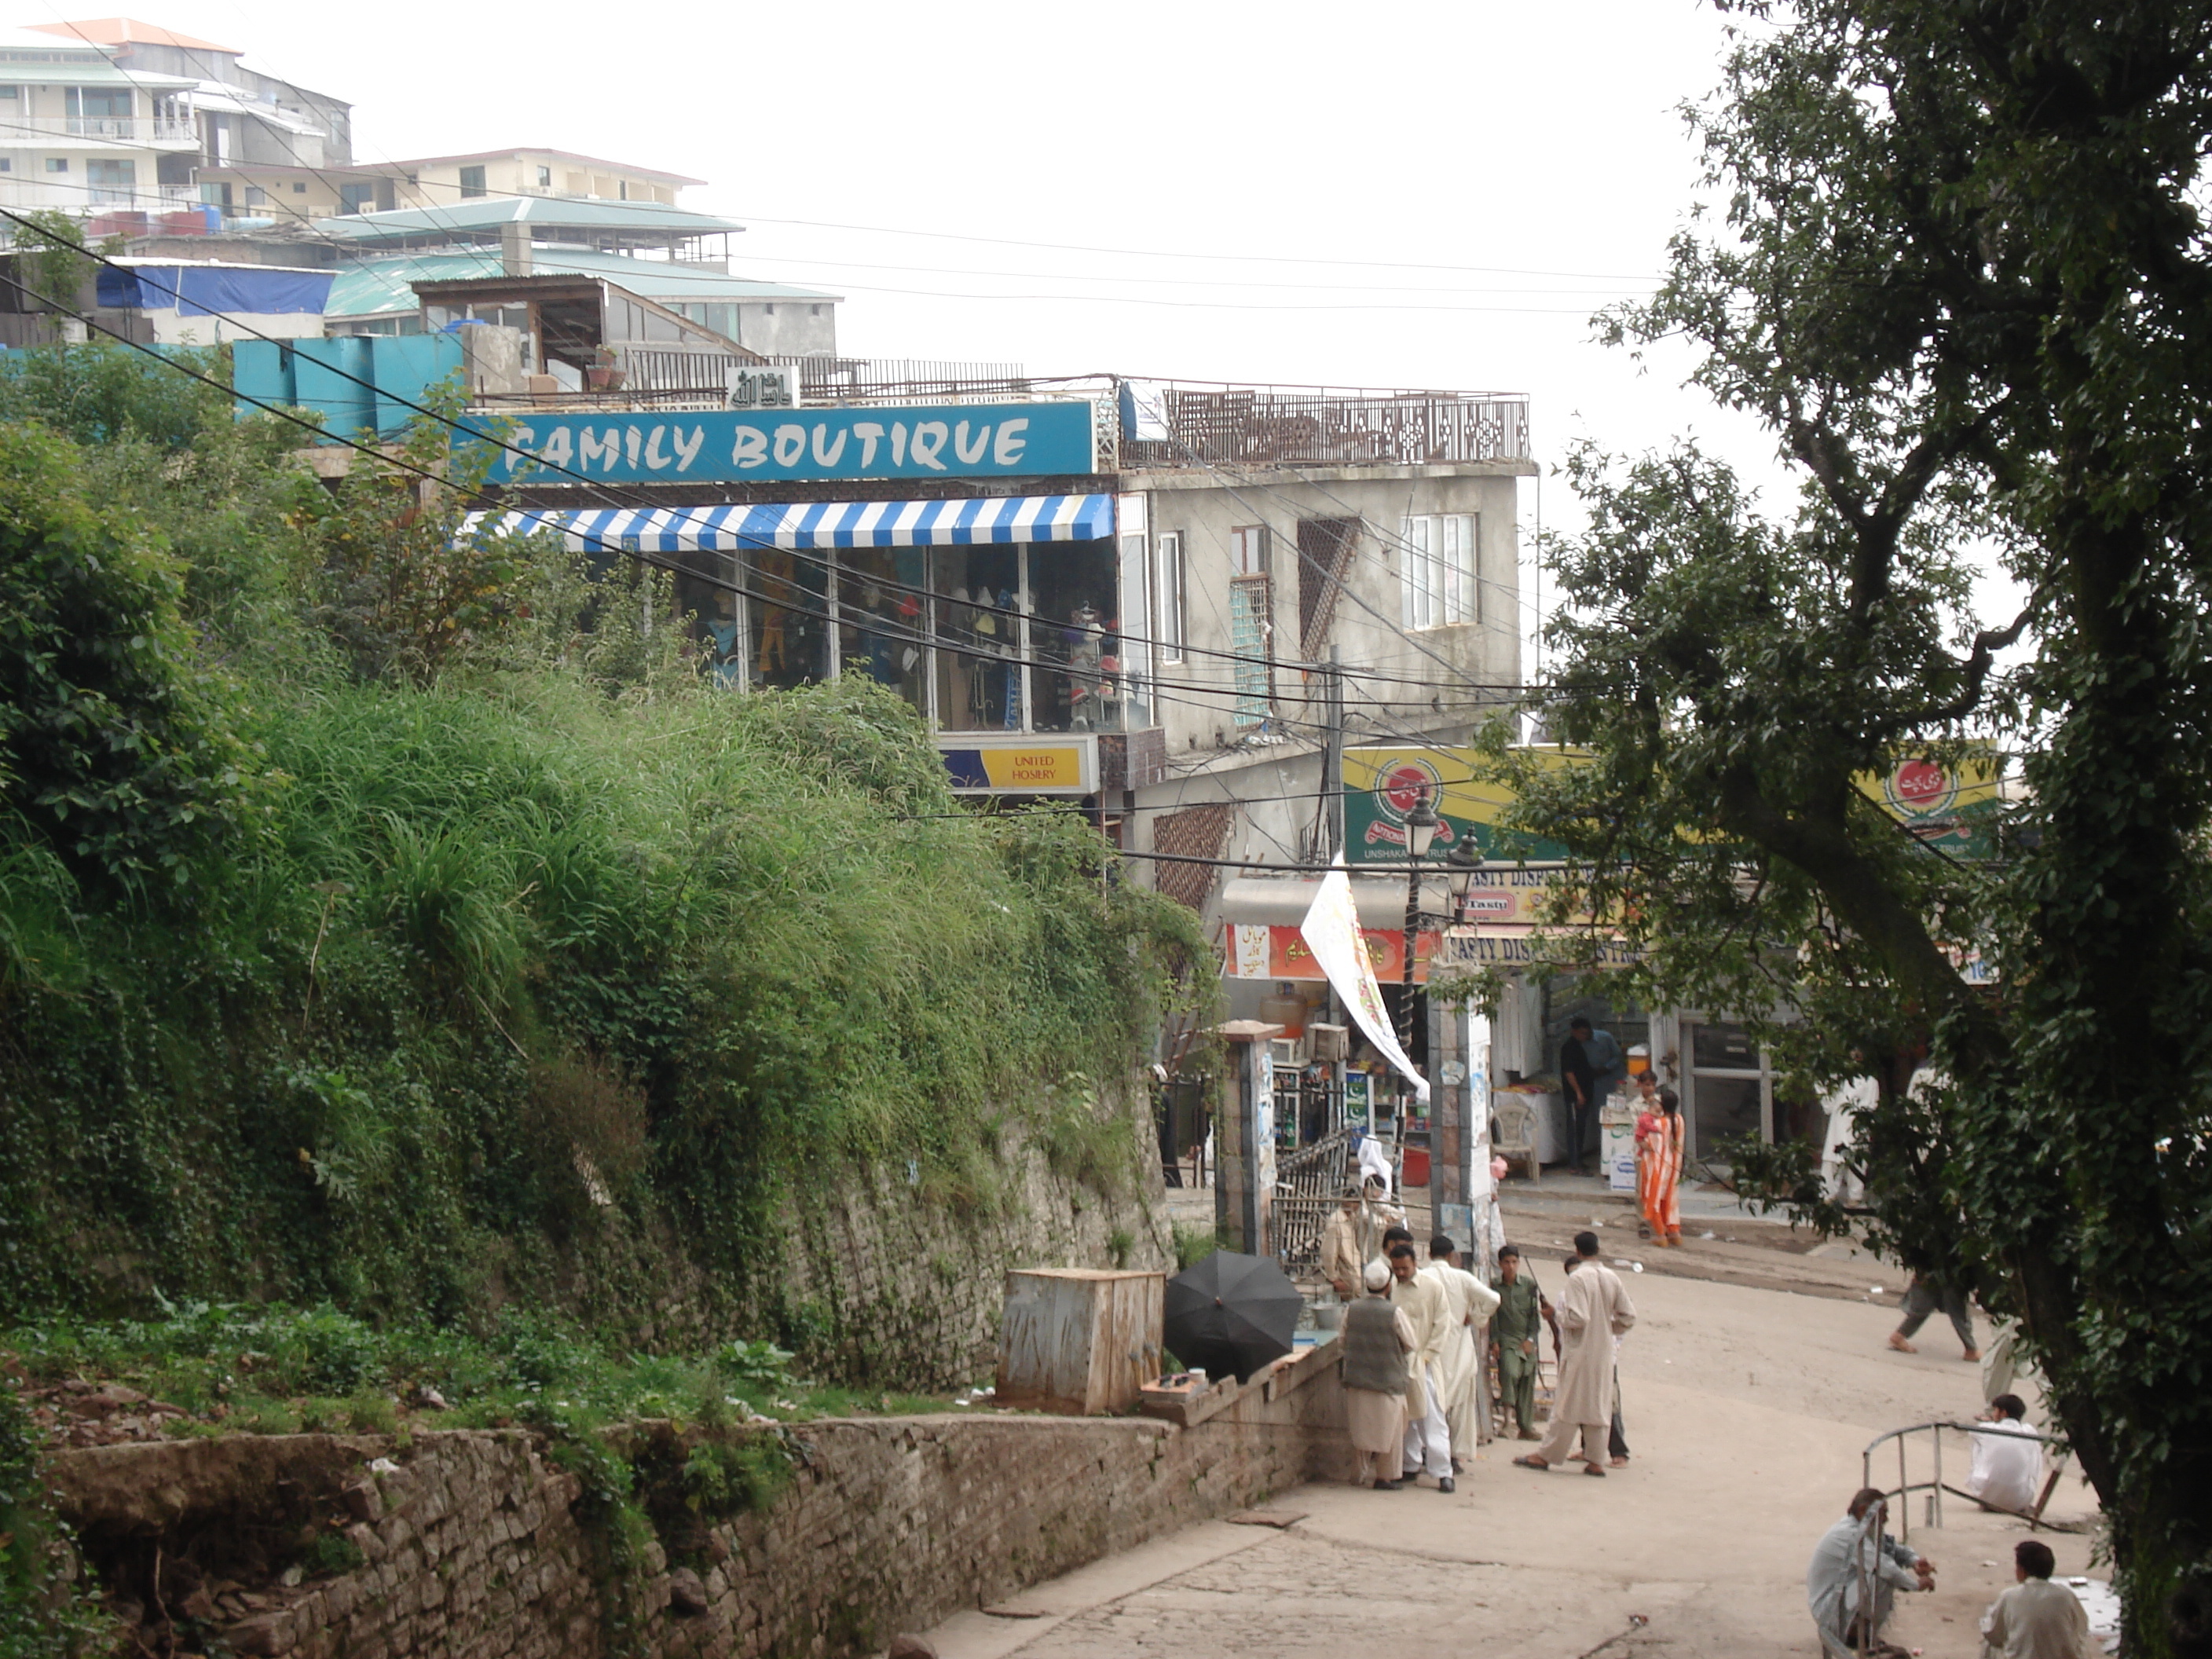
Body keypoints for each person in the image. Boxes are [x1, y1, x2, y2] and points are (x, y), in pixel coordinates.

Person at [1513, 1231, 1635, 1474]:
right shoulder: (1612, 1277)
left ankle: (1546, 1456)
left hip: (1580, 1351)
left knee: (1567, 1404)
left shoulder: (1578, 1278)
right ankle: (1596, 1460)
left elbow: (1578, 1318)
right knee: (1598, 1405)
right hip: (1604, 1351)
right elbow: (1628, 1316)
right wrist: (1607, 1328)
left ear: (1577, 1251)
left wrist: (1556, 1316)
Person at [1807, 1487, 1934, 1657]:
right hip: (1829, 1610)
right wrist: (1916, 1585)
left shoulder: (1865, 1529)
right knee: (1882, 1575)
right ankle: (1856, 1634)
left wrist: (1914, 1561)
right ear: (1863, 1511)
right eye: (1884, 1514)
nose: (1886, 1519)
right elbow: (1884, 1567)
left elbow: (1892, 1548)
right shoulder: (1848, 1533)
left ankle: (1862, 1631)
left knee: (1885, 1568)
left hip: (1842, 1599)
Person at [1423, 1235, 1501, 1467]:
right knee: (1460, 1405)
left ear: (1429, 1254)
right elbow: (1493, 1299)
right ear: (1451, 1256)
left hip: (1431, 1347)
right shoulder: (1462, 1278)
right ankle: (1455, 1455)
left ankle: (1429, 1453)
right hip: (1460, 1348)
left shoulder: (1422, 1277)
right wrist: (1475, 1317)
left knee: (1431, 1403)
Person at [1340, 1260, 1417, 1489]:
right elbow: (1411, 1343)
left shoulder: (1351, 1309)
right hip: (1388, 1380)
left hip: (1357, 1379)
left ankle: (1358, 1474)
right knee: (1391, 1432)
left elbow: (1342, 1341)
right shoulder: (1395, 1312)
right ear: (1387, 1286)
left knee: (1361, 1430)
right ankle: (1386, 1476)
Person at [1387, 1243, 1455, 1492]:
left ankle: (1443, 1472)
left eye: (1404, 1268)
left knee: (1431, 1418)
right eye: (1396, 1269)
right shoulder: (1392, 1288)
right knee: (1405, 1420)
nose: (1401, 1273)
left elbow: (1442, 1326)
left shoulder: (1433, 1288)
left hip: (1424, 1363)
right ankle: (1410, 1465)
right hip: (1398, 1363)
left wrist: (1426, 1357)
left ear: (1415, 1263)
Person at [1979, 1540, 2090, 1659]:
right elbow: (2082, 1628)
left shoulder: (2010, 1596)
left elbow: (1993, 1634)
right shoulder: (2066, 1595)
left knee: (1989, 1645)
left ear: (2021, 1570)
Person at [1492, 1244, 1553, 1440]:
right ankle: (1508, 1422)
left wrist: (1530, 1339)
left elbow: (1534, 1317)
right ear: (1500, 1264)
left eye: (1514, 1262)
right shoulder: (1494, 1286)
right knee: (1509, 1373)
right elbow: (1492, 1316)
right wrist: (1494, 1342)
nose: (1511, 1266)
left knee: (1527, 1378)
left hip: (1525, 1339)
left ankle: (1525, 1426)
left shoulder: (1528, 1285)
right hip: (1506, 1339)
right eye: (1507, 1262)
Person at [1559, 1016, 1624, 1175]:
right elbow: (1569, 1073)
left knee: (1583, 1127)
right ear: (1574, 1032)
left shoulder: (1596, 1040)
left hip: (1594, 1087)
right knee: (1575, 1129)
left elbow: (1617, 1056)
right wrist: (1579, 1094)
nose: (1585, 1037)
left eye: (1587, 1034)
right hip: (1577, 1095)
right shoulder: (1570, 1048)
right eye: (1582, 1033)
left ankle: (1581, 1161)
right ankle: (1575, 1165)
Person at [1966, 1393, 2045, 1514]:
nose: (1993, 1414)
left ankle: (1983, 1485)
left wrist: (1989, 1422)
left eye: (1995, 1410)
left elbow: (1972, 1432)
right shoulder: (2029, 1430)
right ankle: (2023, 1492)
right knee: (2033, 1447)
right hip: (2020, 1500)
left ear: (2003, 1413)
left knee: (1979, 1443)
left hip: (1986, 1497)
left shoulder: (1986, 1428)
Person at [1890, 1270, 1979, 1362]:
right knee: (1956, 1307)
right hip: (1949, 1269)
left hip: (1934, 1268)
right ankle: (1971, 1349)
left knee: (1927, 1299)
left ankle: (1899, 1335)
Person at [1635, 1085, 1686, 1246]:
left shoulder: (1659, 1124)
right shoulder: (1680, 1120)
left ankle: (1660, 1235)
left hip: (1657, 1168)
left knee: (1654, 1198)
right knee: (1670, 1199)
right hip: (1673, 1168)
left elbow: (1648, 1144)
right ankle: (1674, 1232)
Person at [1319, 1183, 1365, 1300]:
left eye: (1357, 1202)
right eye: (1351, 1201)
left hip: (1356, 1271)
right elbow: (1329, 1252)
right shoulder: (1336, 1222)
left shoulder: (1352, 1218)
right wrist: (1334, 1279)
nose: (1354, 1205)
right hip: (1348, 1277)